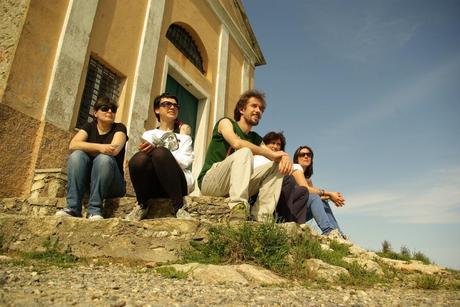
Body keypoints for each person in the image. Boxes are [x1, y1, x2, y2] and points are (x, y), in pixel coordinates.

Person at [198, 90, 292, 222]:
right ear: (242, 109)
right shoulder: (226, 122)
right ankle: (238, 208)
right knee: (245, 151)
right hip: (210, 182)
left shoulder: (255, 138)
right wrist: (272, 154)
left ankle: (262, 217)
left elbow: (274, 157)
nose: (258, 111)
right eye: (254, 106)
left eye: (261, 109)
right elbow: (236, 143)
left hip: (233, 184)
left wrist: (284, 157)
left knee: (275, 167)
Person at [55, 96, 128, 220]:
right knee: (77, 156)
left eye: (113, 109)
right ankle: (72, 208)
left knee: (104, 159)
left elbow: (113, 150)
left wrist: (90, 147)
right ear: (95, 112)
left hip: (113, 184)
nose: (110, 111)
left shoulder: (119, 128)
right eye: (105, 108)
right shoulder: (89, 126)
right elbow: (73, 144)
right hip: (89, 183)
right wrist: (100, 147)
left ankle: (95, 209)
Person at [126, 93, 194, 221]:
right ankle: (142, 204)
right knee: (138, 159)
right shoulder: (149, 134)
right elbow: (145, 162)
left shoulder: (185, 138)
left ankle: (179, 207)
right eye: (167, 104)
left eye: (175, 105)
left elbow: (185, 162)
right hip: (154, 184)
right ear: (157, 109)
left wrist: (160, 153)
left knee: (160, 153)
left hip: (177, 184)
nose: (172, 107)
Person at [292, 145, 346, 236]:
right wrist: (329, 193)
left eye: (309, 155)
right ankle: (328, 231)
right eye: (302, 154)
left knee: (323, 201)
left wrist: (330, 197)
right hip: (288, 211)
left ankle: (338, 234)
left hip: (298, 213)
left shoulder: (307, 179)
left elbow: (313, 195)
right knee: (315, 198)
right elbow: (306, 190)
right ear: (297, 158)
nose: (306, 156)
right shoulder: (295, 167)